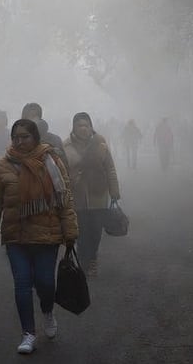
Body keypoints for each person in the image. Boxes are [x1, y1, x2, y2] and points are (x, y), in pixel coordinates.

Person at [0, 119, 78, 355]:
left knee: (46, 283)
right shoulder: (4, 164)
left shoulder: (52, 161)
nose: (19, 141)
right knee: (22, 284)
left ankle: (47, 310)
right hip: (15, 236)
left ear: (35, 138)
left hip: (47, 235)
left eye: (25, 136)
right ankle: (28, 333)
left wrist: (70, 232)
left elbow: (65, 199)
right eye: (16, 137)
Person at [63, 112, 121, 277]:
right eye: (80, 125)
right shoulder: (66, 146)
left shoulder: (100, 144)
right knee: (81, 232)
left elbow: (110, 168)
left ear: (91, 127)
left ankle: (92, 258)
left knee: (95, 231)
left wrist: (114, 191)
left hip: (98, 196)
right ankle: (84, 262)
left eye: (86, 125)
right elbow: (62, 172)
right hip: (78, 197)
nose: (83, 128)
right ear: (74, 127)